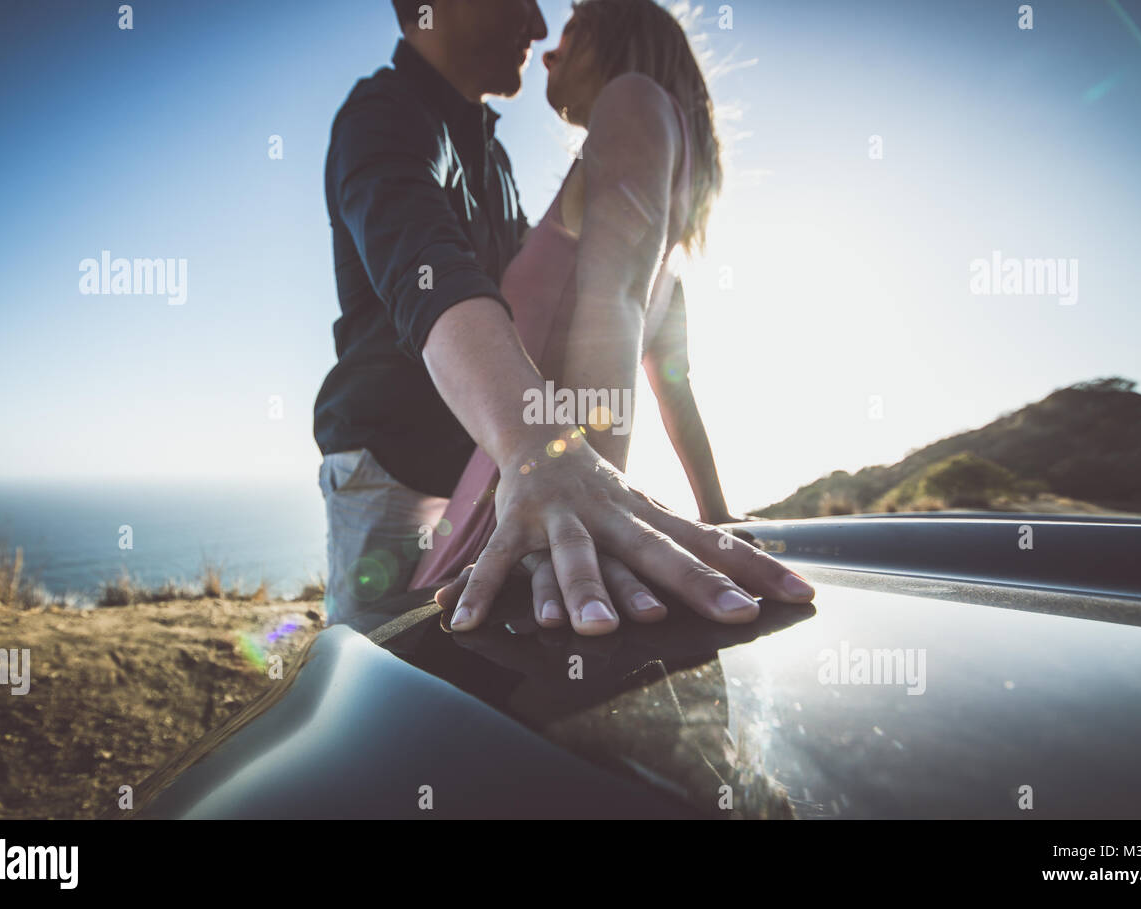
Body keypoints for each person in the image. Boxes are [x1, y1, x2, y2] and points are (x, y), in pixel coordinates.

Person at [315, 0, 815, 633]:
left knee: (448, 674)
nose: (542, 30)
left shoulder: (516, 155)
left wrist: (596, 488)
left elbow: (628, 320)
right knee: (377, 666)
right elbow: (426, 268)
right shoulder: (386, 114)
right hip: (399, 468)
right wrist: (552, 461)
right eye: (523, 0)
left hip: (518, 480)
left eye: (569, 23)